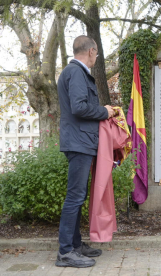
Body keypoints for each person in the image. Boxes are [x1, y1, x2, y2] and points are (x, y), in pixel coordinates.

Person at [55, 35, 114, 268]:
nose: (96, 58)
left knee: (78, 197)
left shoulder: (73, 72)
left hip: (80, 141)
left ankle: (76, 245)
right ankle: (65, 252)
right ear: (91, 51)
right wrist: (104, 111)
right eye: (96, 54)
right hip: (79, 143)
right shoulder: (77, 73)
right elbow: (79, 107)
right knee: (75, 197)